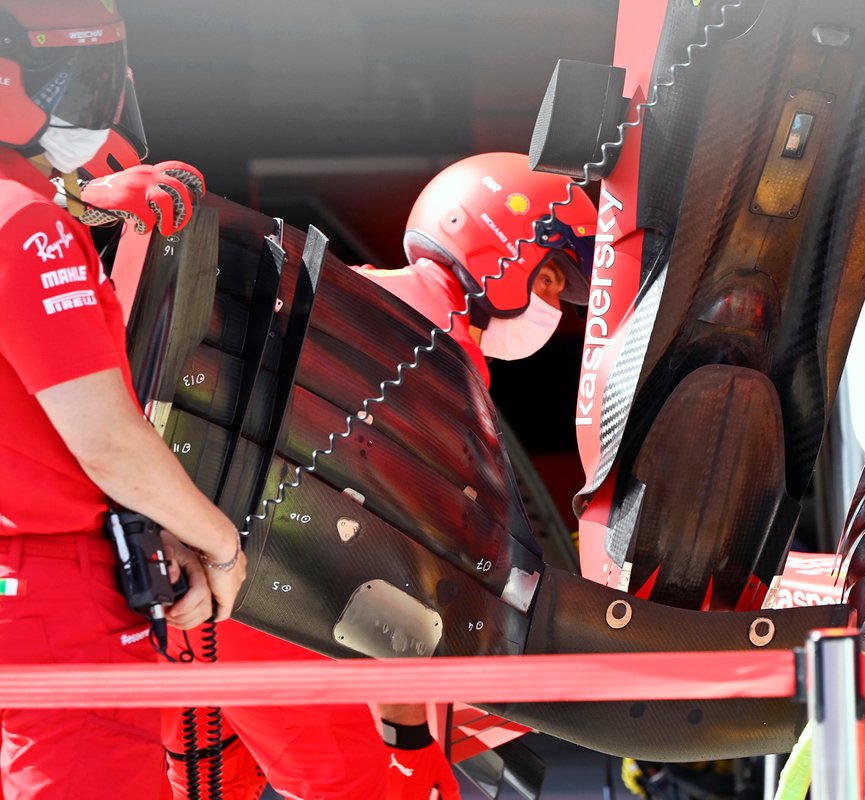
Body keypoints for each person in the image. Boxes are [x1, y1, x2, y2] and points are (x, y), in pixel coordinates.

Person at [161, 151, 598, 800]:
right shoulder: (443, 363)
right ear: (501, 249)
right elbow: (404, 567)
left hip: (188, 591)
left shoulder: (350, 284)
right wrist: (408, 731)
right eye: (551, 277)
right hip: (277, 608)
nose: (554, 304)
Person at [0, 2, 246, 798]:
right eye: (83, 77)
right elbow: (103, 437)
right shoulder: (27, 229)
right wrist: (218, 542)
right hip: (54, 600)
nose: (98, 99)